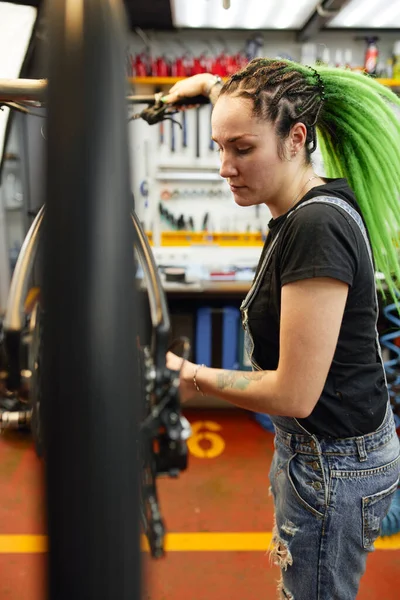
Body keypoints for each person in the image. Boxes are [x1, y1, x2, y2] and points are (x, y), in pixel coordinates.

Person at [163, 59, 400, 600]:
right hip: (325, 453)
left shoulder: (317, 227)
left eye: (241, 149)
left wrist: (186, 373)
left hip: (334, 467)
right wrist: (203, 88)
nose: (226, 166)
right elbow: (244, 106)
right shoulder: (302, 200)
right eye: (219, 147)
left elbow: (293, 393)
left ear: (296, 139)